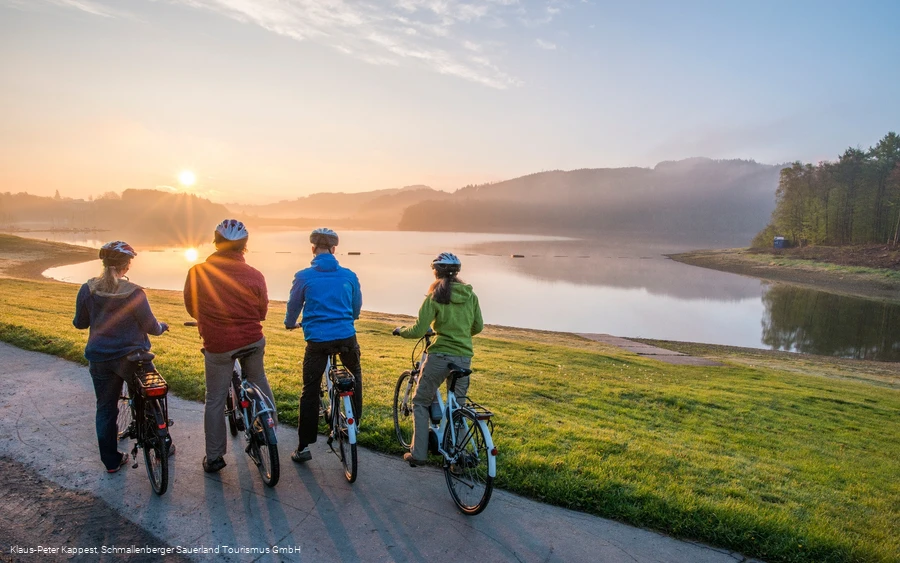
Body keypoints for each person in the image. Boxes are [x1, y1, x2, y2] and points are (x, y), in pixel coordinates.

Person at [184, 219, 276, 474]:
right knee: (258, 377)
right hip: (252, 340)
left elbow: (192, 307)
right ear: (244, 247)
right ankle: (270, 428)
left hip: (218, 344)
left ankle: (214, 457)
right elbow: (261, 312)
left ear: (216, 243)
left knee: (214, 398)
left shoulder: (197, 272)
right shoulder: (255, 275)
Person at [73, 240, 171, 473]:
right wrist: (163, 326)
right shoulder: (134, 292)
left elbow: (80, 323)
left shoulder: (88, 289)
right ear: (127, 266)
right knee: (148, 398)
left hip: (100, 359)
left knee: (106, 408)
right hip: (133, 357)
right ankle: (163, 444)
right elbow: (151, 327)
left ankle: (111, 461)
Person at [392, 252, 483, 466]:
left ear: (435, 272)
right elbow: (477, 327)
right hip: (464, 357)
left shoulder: (436, 296)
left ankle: (419, 454)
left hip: (440, 355)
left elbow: (418, 329)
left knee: (421, 401)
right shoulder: (471, 296)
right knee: (457, 408)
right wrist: (459, 333)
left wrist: (400, 330)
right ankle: (461, 457)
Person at [284, 227, 363, 463]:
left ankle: (303, 447)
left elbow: (293, 307)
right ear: (334, 249)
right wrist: (348, 318)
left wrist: (290, 324)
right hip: (346, 337)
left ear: (313, 249)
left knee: (309, 390)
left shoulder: (304, 276)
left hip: (317, 341)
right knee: (355, 377)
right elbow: (356, 307)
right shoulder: (349, 275)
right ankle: (353, 424)